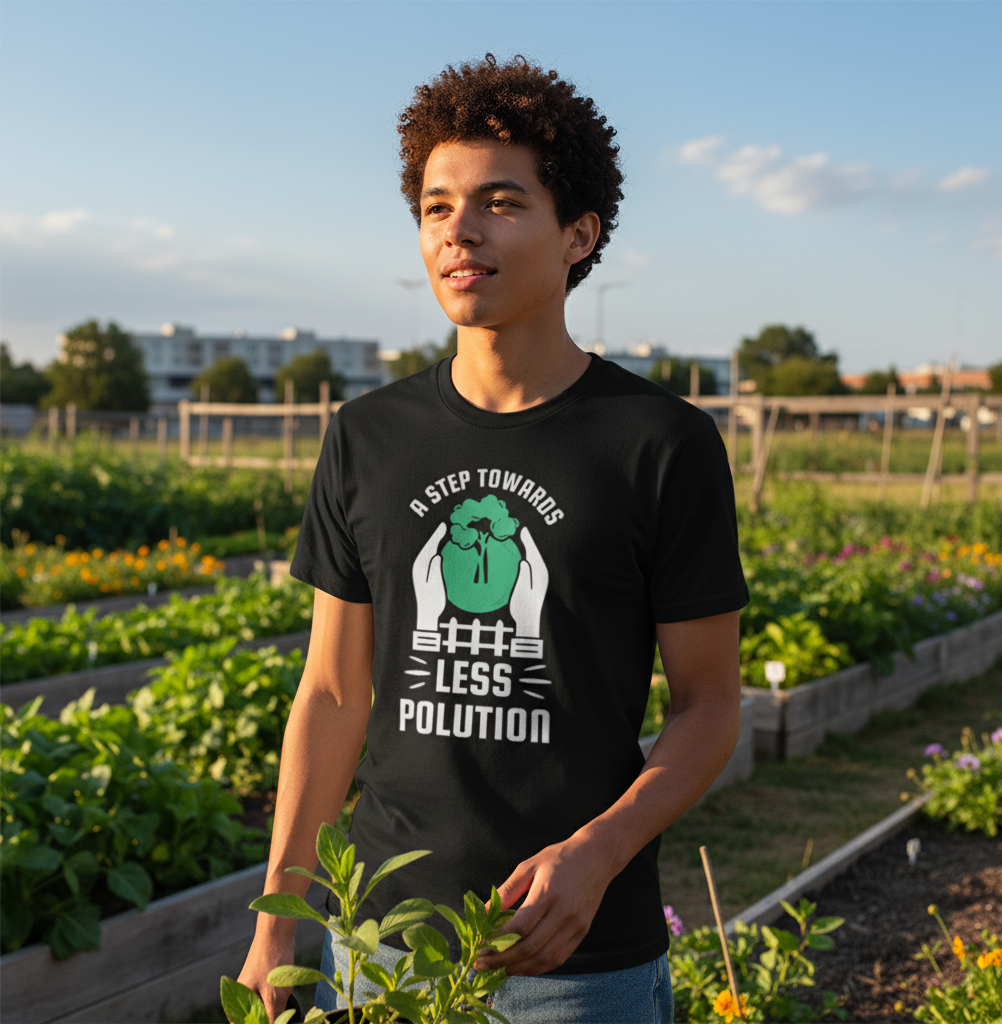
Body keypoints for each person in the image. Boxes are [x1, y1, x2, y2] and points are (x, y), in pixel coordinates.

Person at [237, 53, 748, 1024]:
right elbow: (334, 693)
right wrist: (276, 924)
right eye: (435, 207)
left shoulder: (660, 443)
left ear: (578, 235)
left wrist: (596, 852)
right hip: (376, 950)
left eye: (500, 202)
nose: (459, 233)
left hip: (569, 962)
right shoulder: (367, 435)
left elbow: (710, 705)